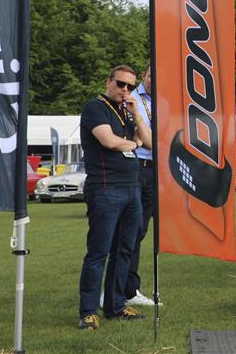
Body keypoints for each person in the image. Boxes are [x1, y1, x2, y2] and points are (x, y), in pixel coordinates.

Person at [78, 65, 152, 330]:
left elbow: (149, 142)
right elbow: (109, 141)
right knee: (99, 251)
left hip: (131, 188)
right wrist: (133, 144)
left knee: (124, 250)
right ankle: (88, 311)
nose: (125, 90)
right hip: (105, 188)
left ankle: (116, 305)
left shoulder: (126, 111)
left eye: (130, 86)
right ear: (108, 81)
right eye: (121, 84)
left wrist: (137, 115)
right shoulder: (95, 108)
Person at [123, 62, 159, 308]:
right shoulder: (133, 100)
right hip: (136, 167)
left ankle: (128, 287)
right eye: (149, 76)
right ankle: (126, 288)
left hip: (155, 170)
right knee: (131, 230)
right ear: (144, 76)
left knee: (141, 230)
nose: (153, 81)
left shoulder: (163, 101)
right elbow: (145, 140)